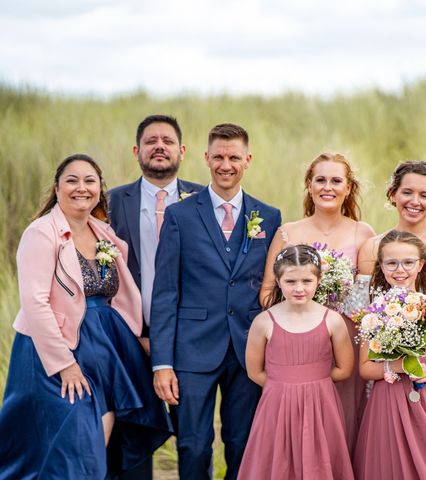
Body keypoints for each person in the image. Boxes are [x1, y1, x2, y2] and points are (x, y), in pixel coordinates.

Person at [0, 154, 172, 479]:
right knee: (74, 440)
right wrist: (64, 365)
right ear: (57, 187)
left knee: (103, 434)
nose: (82, 188)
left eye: (90, 180)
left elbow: (118, 294)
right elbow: (35, 303)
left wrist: (133, 340)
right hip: (56, 350)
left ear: (99, 188)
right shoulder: (41, 233)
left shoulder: (103, 233)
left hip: (106, 347)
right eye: (72, 180)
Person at [150, 123, 281, 479]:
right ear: (206, 158)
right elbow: (165, 293)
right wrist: (162, 362)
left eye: (234, 157)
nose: (226, 164)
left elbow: (274, 287)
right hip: (192, 349)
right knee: (192, 444)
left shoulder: (269, 216)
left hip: (248, 348)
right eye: (219, 157)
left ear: (248, 160)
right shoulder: (180, 215)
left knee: (242, 441)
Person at [259, 152, 375, 454]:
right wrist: (304, 305)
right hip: (298, 342)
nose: (328, 186)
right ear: (309, 186)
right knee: (301, 425)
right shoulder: (289, 232)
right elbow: (267, 292)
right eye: (320, 179)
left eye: (336, 180)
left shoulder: (362, 233)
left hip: (347, 339)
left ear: (348, 188)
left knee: (346, 418)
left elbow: (372, 294)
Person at [108, 115, 203, 478]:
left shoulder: (204, 200)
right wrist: (134, 332)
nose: (159, 146)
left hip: (189, 335)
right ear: (137, 151)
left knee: (193, 437)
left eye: (167, 140)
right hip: (126, 334)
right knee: (132, 432)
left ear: (182, 151)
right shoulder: (112, 202)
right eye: (151, 141)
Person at [238, 245, 354, 479]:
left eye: (306, 281)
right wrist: (284, 384)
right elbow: (254, 371)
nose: (299, 288)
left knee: (319, 460)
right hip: (277, 404)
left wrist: (313, 382)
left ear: (318, 280)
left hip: (321, 403)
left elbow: (344, 369)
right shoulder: (264, 321)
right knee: (278, 460)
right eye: (290, 281)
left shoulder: (332, 320)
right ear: (278, 280)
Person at [353, 230, 426, 480]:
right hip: (388, 396)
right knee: (389, 464)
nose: (399, 270)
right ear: (381, 266)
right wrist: (398, 366)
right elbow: (365, 368)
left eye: (408, 262)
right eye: (391, 263)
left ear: (421, 264)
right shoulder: (374, 311)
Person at [358, 160, 426, 309]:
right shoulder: (372, 247)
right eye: (407, 192)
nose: (415, 201)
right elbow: (362, 309)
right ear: (393, 194)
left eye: (424, 195)